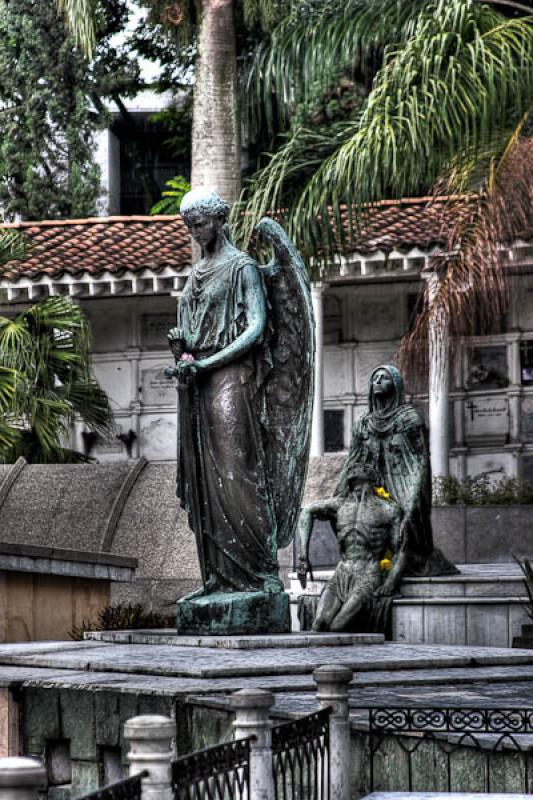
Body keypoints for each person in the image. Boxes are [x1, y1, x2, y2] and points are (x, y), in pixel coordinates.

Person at [335, 364, 457, 577]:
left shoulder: (410, 419)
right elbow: (352, 460)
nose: (379, 382)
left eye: (385, 378)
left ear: (396, 385)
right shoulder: (363, 423)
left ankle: (403, 563)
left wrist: (414, 495)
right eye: (375, 379)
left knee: (405, 516)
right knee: (342, 508)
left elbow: (420, 461)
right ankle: (362, 561)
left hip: (404, 480)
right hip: (372, 483)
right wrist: (340, 489)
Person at [298, 463, 405, 632]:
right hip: (341, 574)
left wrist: (391, 580)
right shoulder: (339, 505)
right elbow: (307, 512)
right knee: (319, 623)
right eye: (354, 483)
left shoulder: (388, 509)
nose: (358, 487)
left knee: (337, 626)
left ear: (373, 482)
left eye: (361, 483)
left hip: (368, 575)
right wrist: (303, 555)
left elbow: (401, 550)